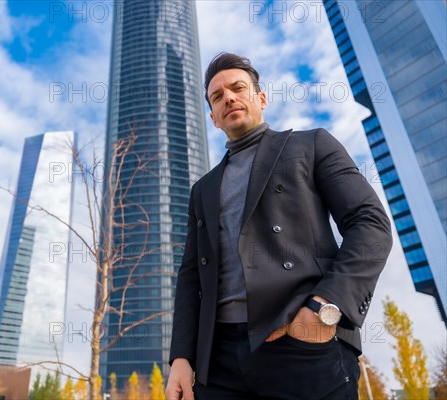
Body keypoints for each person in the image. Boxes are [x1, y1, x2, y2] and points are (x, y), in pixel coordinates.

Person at [165, 52, 393, 399]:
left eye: (238, 88)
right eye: (217, 95)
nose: (229, 97)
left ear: (261, 98)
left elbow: (370, 224)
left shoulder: (311, 144)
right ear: (212, 117)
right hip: (219, 362)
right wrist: (181, 357)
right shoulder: (202, 189)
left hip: (300, 343)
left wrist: (323, 309)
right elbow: (191, 274)